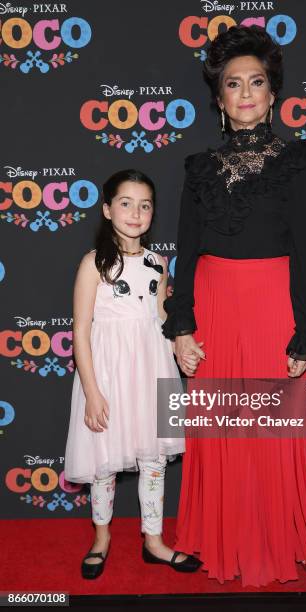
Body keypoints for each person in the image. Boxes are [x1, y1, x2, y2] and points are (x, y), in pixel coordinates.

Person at [162, 25, 306, 587]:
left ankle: (288, 538)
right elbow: (185, 252)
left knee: (272, 429)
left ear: (272, 94)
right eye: (232, 84)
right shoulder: (198, 168)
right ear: (218, 98)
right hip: (212, 304)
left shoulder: (299, 158)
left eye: (255, 83)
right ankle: (216, 538)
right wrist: (181, 325)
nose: (244, 93)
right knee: (217, 429)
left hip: (270, 304)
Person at [64, 169, 202, 579]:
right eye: (126, 203)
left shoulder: (158, 263)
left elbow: (160, 316)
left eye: (145, 205)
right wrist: (91, 391)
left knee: (154, 459)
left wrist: (184, 341)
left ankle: (154, 541)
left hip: (152, 370)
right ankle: (101, 537)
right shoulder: (93, 264)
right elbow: (81, 330)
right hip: (107, 375)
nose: (136, 213)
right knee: (104, 462)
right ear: (107, 209)